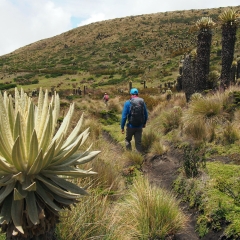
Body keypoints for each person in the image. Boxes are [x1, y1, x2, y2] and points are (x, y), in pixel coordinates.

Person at [121, 88, 148, 153]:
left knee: (127, 140)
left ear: (131, 94)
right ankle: (139, 158)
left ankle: (129, 155)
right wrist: (144, 123)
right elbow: (146, 114)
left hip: (130, 126)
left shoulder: (127, 103)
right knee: (138, 143)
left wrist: (122, 127)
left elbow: (124, 117)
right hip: (139, 126)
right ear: (137, 94)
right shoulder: (142, 102)